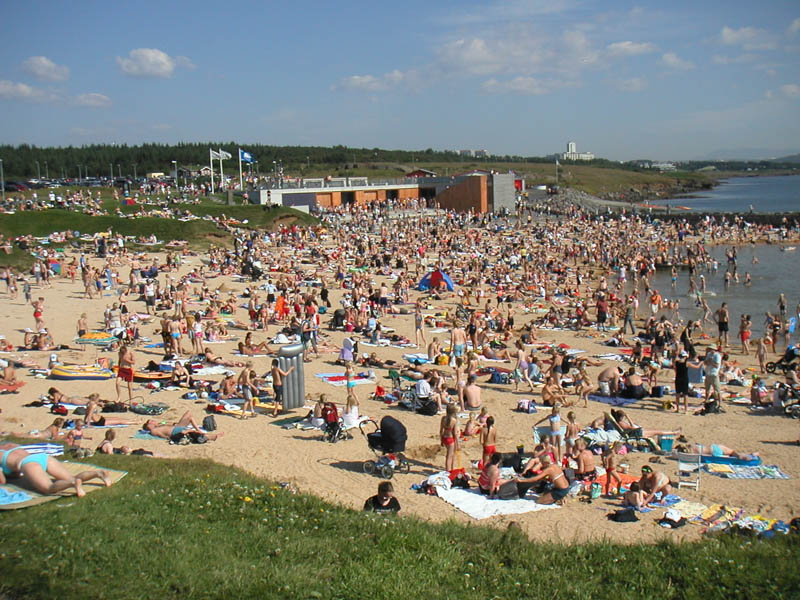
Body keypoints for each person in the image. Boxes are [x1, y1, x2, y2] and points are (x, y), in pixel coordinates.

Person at [0, 442, 111, 498]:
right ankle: (98, 473)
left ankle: (73, 483)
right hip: (42, 457)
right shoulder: (12, 445)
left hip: (28, 464)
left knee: (49, 488)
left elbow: (3, 481)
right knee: (72, 476)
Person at [143, 411, 224, 441]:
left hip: (176, 427)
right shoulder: (153, 431)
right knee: (191, 419)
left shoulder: (159, 425)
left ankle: (201, 432)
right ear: (148, 426)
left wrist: (161, 423)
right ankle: (203, 432)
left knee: (189, 413)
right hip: (175, 431)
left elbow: (169, 423)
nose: (153, 422)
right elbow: (163, 435)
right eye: (151, 422)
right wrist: (169, 438)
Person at [439, 403, 459, 472]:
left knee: (450, 455)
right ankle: (448, 471)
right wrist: (457, 443)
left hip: (444, 437)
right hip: (450, 439)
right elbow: (455, 433)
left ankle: (451, 468)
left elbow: (441, 430)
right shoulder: (454, 421)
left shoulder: (443, 419)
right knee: (449, 456)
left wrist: (441, 440)